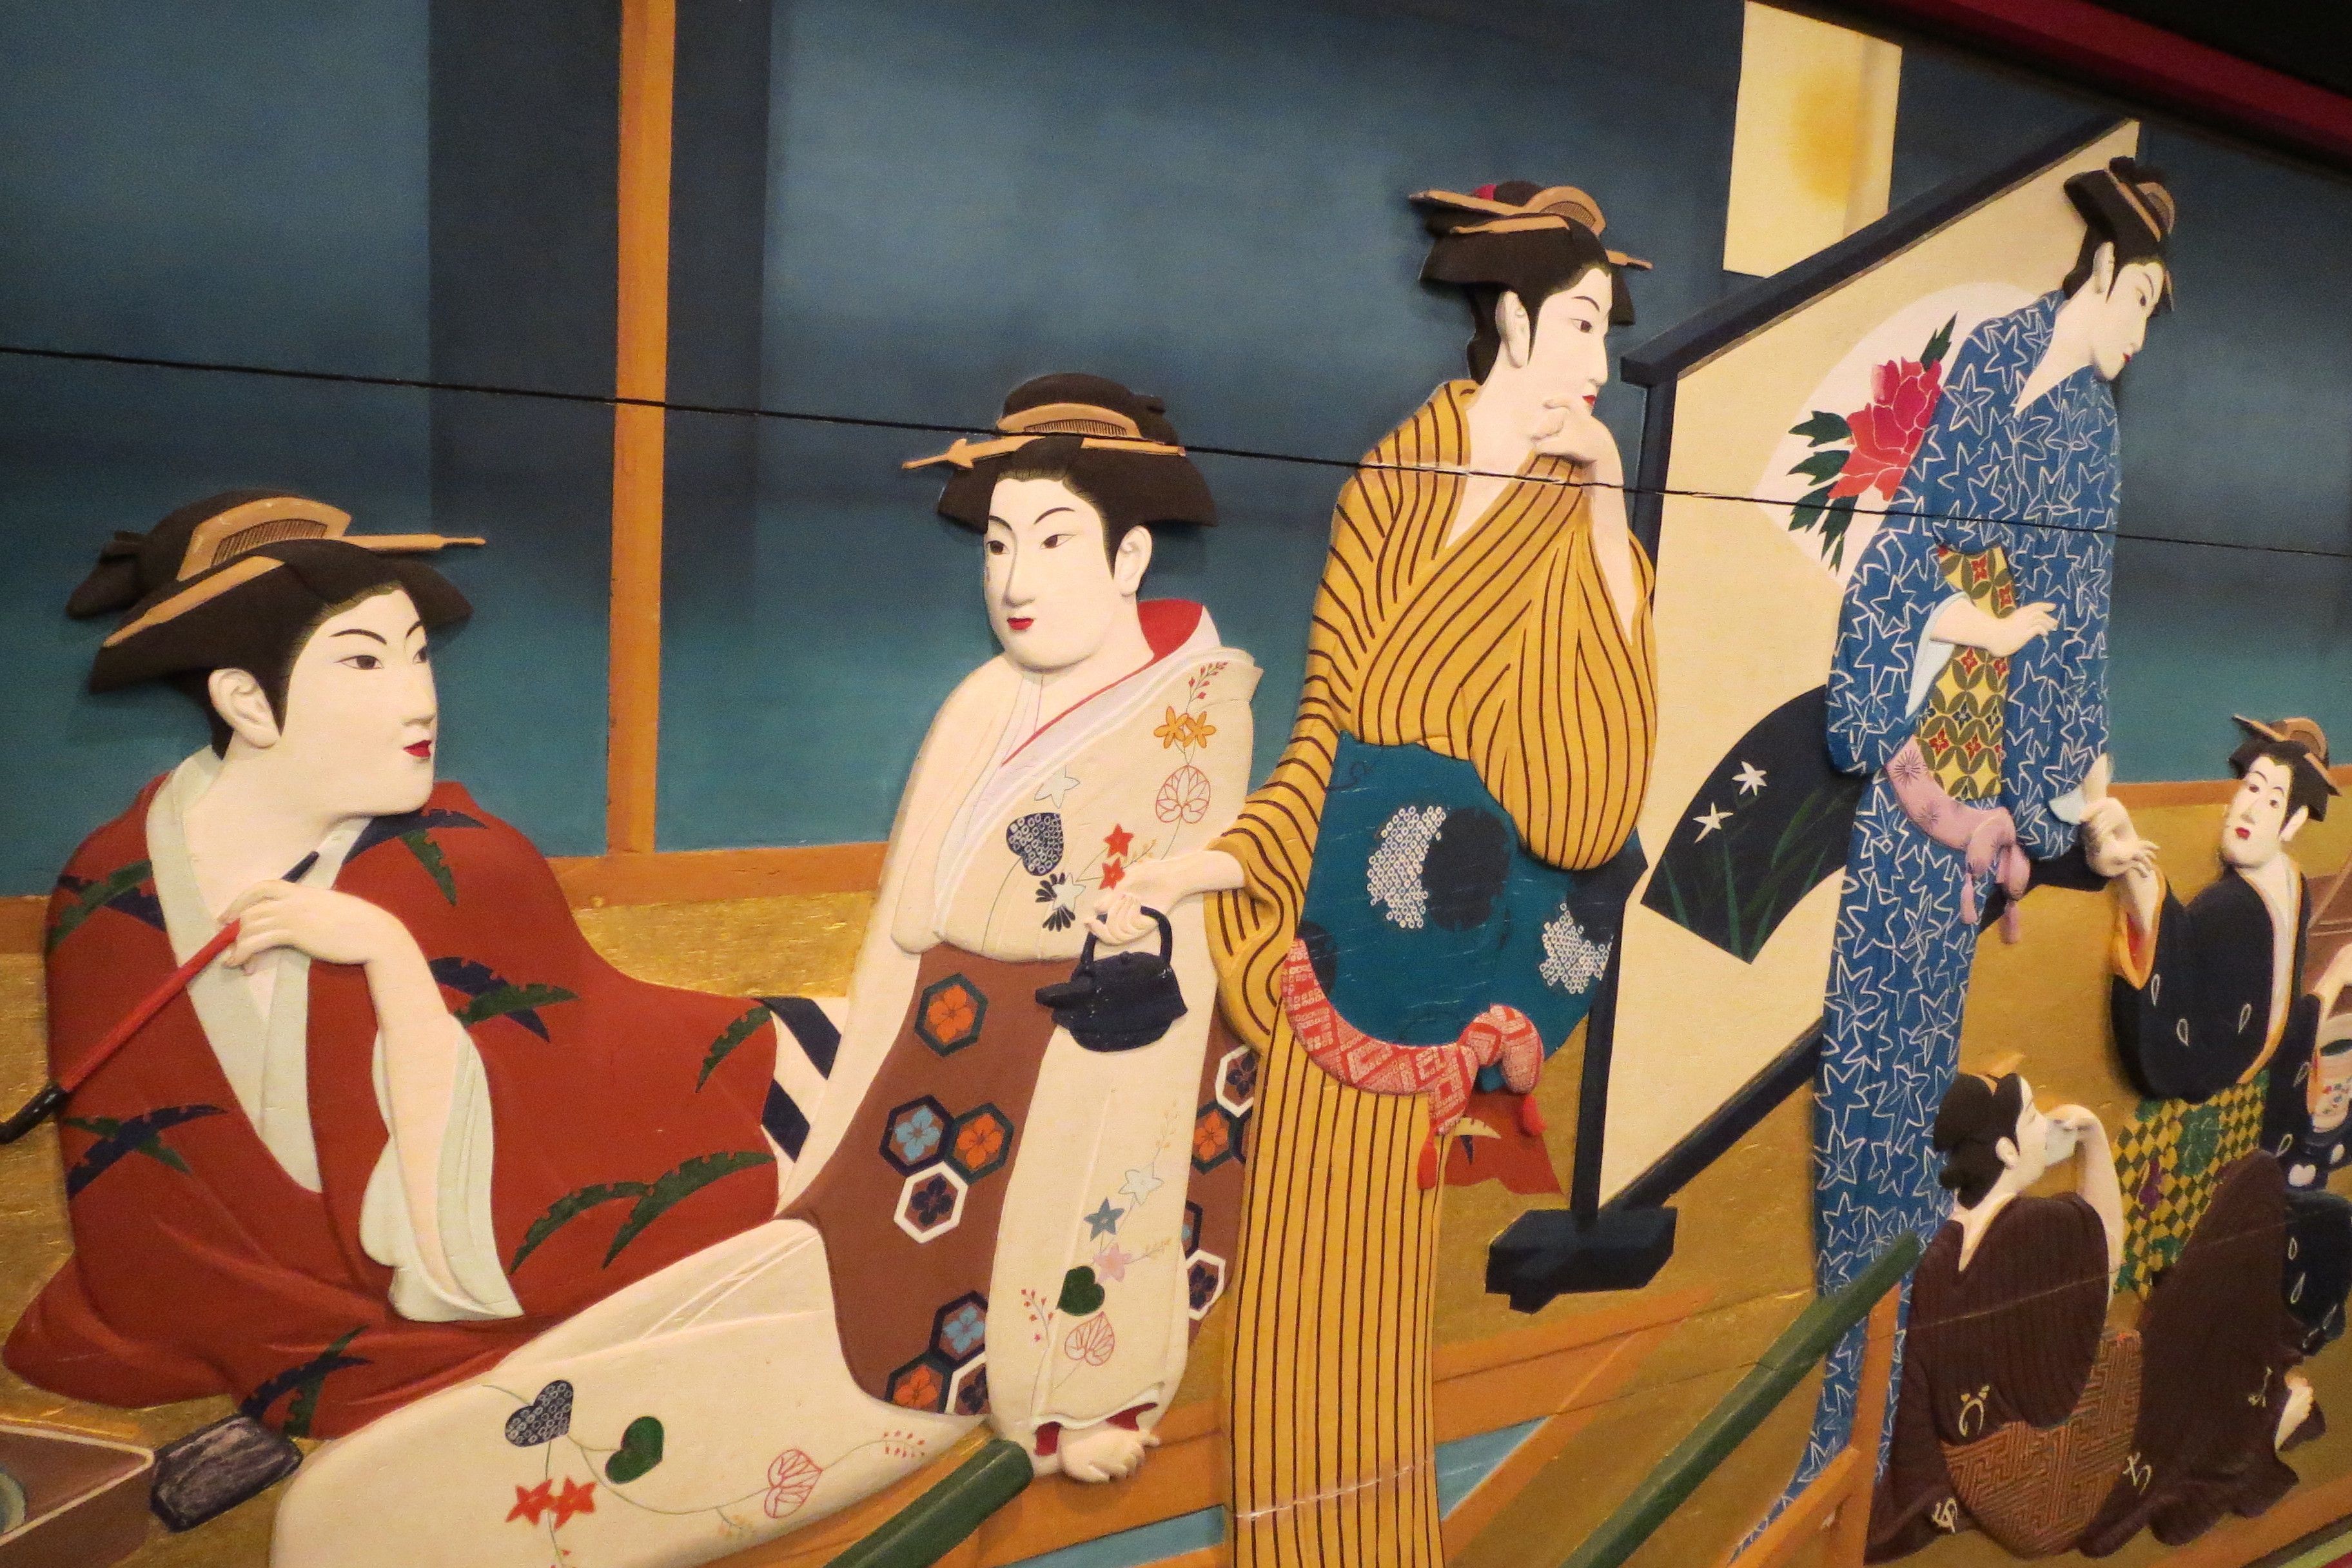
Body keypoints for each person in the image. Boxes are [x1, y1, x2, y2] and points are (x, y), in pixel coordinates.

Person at [270, 375, 1260, 1567]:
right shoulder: (985, 699)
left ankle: (1076, 1391)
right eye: (998, 544)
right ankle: (414, 1487)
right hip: (940, 1065)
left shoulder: (1196, 708)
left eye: (1051, 541)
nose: (1013, 578)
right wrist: (842, 1124)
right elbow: (905, 928)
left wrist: (1145, 930)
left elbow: (1180, 930)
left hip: (1090, 1057)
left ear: (1130, 555)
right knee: (825, 1257)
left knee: (1013, 1265)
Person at [1093, 181, 1656, 1565]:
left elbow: (1593, 798)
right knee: (1303, 1302)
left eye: (1605, 328)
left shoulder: (1577, 511)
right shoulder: (1395, 480)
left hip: (1466, 953)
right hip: (1341, 940)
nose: (1599, 361)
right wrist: (1211, 865)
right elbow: (1327, 734)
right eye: (1581, 322)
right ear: (1510, 317)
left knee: (1385, 1315)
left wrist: (1601, 505)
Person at [14, 493, 785, 1436]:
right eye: (364, 661)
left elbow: (568, 1105)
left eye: (419, 656)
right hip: (216, 1313)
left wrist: (390, 957)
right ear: (247, 701)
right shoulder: (113, 881)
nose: (420, 699)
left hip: (451, 1286)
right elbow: (133, 1190)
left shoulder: (465, 862)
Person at [1798, 157, 2179, 1498]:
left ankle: (1879, 1433)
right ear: (2100, 274)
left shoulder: (2090, 434)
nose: (2139, 334)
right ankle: (1838, 1423)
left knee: (1915, 1108)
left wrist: (2080, 800)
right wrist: (1961, 621)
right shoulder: (1995, 355)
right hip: (1915, 749)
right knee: (1864, 1090)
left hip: (1980, 793)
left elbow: (2078, 622)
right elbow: (1905, 550)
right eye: (2139, 301)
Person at [1870, 1073, 2318, 1560]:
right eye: (2033, 1118)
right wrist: (2094, 1142)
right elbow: (2104, 1273)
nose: (2046, 1126)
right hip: (2043, 1484)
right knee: (2200, 1307)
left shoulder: (1946, 1242)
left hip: (1976, 1472)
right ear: (2006, 1151)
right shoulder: (2033, 1228)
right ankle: (2246, 1447)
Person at [2086, 718, 2352, 1177]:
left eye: (2273, 800)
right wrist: (2129, 858)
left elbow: (2284, 1018)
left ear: (2294, 822)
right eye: (2250, 788)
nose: (2250, 811)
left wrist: (2331, 980)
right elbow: (2172, 946)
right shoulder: (2226, 904)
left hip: (2254, 1113)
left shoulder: (2293, 885)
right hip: (2196, 1117)